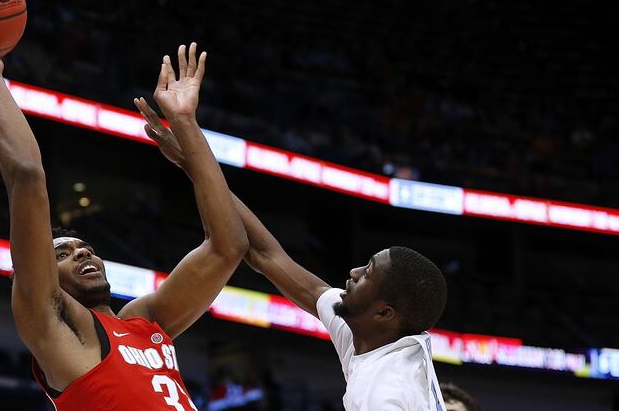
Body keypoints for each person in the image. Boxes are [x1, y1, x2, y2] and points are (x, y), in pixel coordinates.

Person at [0, 32, 247, 410]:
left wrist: (186, 125)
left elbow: (228, 247)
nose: (82, 253)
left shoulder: (145, 322)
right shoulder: (56, 325)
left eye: (85, 248)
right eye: (63, 254)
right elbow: (28, 178)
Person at [135, 101, 448, 411]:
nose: (353, 272)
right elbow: (265, 255)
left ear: (384, 313)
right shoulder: (374, 334)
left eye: (368, 273)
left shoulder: (381, 392)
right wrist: (189, 161)